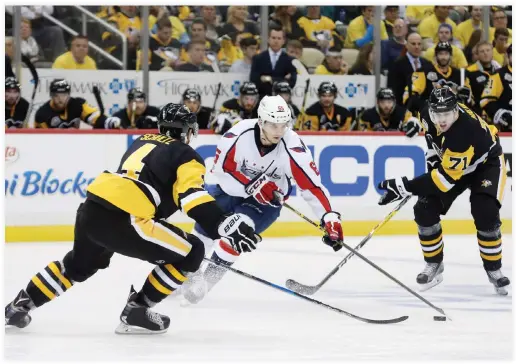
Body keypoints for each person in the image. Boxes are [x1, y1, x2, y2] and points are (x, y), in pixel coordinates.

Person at [5, 103, 261, 334]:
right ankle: (138, 309)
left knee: (77, 266)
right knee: (193, 251)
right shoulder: (186, 154)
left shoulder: (141, 140)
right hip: (126, 217)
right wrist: (222, 224)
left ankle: (21, 304)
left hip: (92, 208)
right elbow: (191, 197)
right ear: (187, 132)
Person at [180, 95, 343, 304]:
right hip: (230, 191)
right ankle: (184, 273)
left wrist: (329, 216)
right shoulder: (237, 135)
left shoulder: (293, 147)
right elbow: (221, 172)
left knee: (239, 234)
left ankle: (205, 284)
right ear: (261, 121)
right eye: (274, 125)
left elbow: (312, 186)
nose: (279, 131)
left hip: (266, 203)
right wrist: (252, 184)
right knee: (205, 226)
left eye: (284, 125)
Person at [377, 87, 510, 295]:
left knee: (485, 211)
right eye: (437, 114)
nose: (442, 119)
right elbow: (424, 127)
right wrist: (430, 152)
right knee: (425, 208)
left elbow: (444, 181)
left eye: (447, 114)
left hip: (486, 164)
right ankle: (434, 264)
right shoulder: (426, 112)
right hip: (454, 166)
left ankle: (494, 270)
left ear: (456, 110)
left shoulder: (465, 130)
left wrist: (403, 187)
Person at [403, 42, 472, 115]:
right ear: (435, 56)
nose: (443, 57)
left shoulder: (460, 74)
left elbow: (469, 99)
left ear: (451, 56)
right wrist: (427, 107)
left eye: (446, 54)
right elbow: (409, 97)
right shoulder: (424, 72)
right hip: (431, 114)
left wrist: (464, 95)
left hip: (454, 115)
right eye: (440, 54)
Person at [34, 79, 120, 129]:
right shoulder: (42, 114)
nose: (60, 99)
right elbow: (41, 140)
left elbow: (95, 118)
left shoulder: (77, 104)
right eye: (57, 96)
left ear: (69, 94)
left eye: (64, 95)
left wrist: (108, 122)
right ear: (51, 96)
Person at [250, 25, 297, 99]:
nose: (276, 41)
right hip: (263, 99)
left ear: (283, 41)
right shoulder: (258, 58)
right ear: (268, 39)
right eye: (273, 38)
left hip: (282, 100)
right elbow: (254, 80)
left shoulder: (290, 60)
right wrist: (282, 79)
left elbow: (292, 82)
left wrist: (269, 79)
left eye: (279, 38)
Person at [388, 32, 433, 106]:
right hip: (404, 107)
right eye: (413, 44)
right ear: (407, 45)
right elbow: (394, 90)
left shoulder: (428, 64)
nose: (417, 47)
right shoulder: (397, 64)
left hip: (424, 108)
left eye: (419, 44)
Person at [480, 44, 512, 132]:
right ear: (508, 57)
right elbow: (485, 101)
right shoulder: (499, 75)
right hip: (508, 128)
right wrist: (501, 115)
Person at [466, 41, 501, 115]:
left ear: (492, 53)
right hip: (480, 114)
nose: (485, 53)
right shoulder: (470, 72)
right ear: (477, 55)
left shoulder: (500, 71)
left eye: (488, 50)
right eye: (482, 51)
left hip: (499, 112)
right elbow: (469, 99)